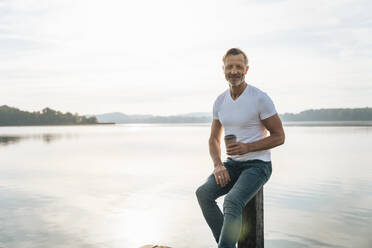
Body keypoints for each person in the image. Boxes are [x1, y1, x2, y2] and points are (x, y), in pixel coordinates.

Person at [195, 48, 285, 248]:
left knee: (232, 201)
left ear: (246, 69)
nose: (234, 71)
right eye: (230, 66)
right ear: (223, 69)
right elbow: (213, 140)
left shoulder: (259, 98)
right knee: (203, 194)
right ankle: (225, 245)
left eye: (238, 66)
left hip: (258, 165)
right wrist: (218, 165)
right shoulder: (220, 101)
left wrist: (248, 147)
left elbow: (280, 137)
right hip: (232, 165)